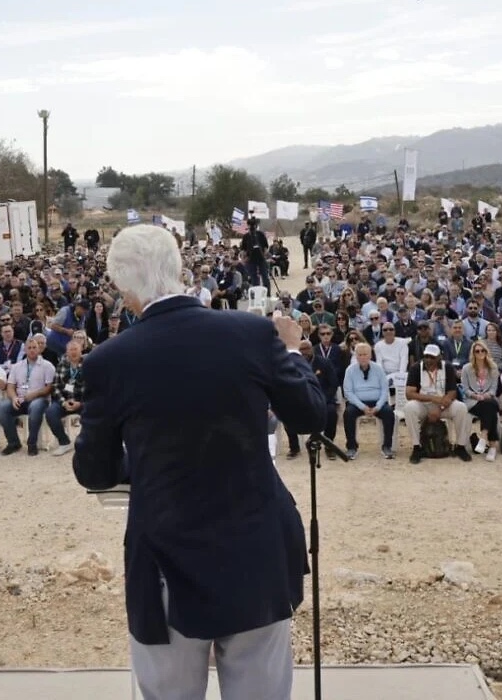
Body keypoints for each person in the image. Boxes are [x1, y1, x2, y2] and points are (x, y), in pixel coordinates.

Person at [72, 224, 327, 700]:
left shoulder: (110, 360)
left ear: (124, 288)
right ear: (181, 269)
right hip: (256, 549)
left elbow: (94, 471)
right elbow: (311, 414)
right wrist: (292, 349)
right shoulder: (251, 333)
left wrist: (143, 466)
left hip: (168, 559)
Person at [403, 344, 472, 463]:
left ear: (439, 357)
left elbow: (452, 393)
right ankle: (416, 447)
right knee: (409, 408)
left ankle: (460, 446)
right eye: (426, 356)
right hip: (423, 404)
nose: (428, 360)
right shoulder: (416, 368)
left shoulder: (448, 367)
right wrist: (433, 399)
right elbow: (409, 394)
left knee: (461, 408)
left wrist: (439, 408)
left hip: (443, 405)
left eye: (432, 357)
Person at [341, 343, 395, 459]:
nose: (362, 357)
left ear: (370, 355)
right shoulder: (350, 370)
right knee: (348, 413)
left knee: (389, 412)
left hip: (377, 402)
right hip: (358, 403)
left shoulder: (378, 369)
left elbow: (385, 390)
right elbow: (348, 392)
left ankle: (387, 446)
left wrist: (378, 406)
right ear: (356, 356)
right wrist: (362, 407)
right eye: (359, 355)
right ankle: (351, 447)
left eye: (365, 354)